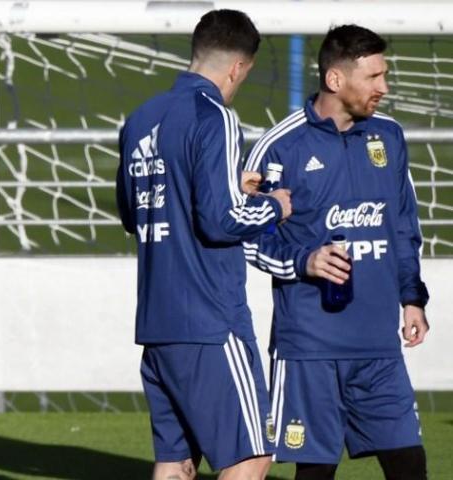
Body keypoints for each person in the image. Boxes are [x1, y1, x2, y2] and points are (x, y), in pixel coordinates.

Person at [244, 25, 429, 480]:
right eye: (373, 77)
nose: (384, 88)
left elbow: (403, 224)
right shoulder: (280, 146)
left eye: (384, 75)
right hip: (309, 348)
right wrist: (303, 261)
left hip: (379, 348)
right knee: (315, 473)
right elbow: (247, 237)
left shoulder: (389, 137)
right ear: (335, 80)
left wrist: (412, 297)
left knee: (410, 467)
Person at [116, 9, 292, 480]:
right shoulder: (215, 115)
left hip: (157, 322)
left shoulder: (140, 119)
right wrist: (274, 204)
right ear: (239, 67)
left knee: (176, 464)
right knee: (251, 456)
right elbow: (221, 222)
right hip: (210, 320)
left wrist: (231, 188)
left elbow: (135, 214)